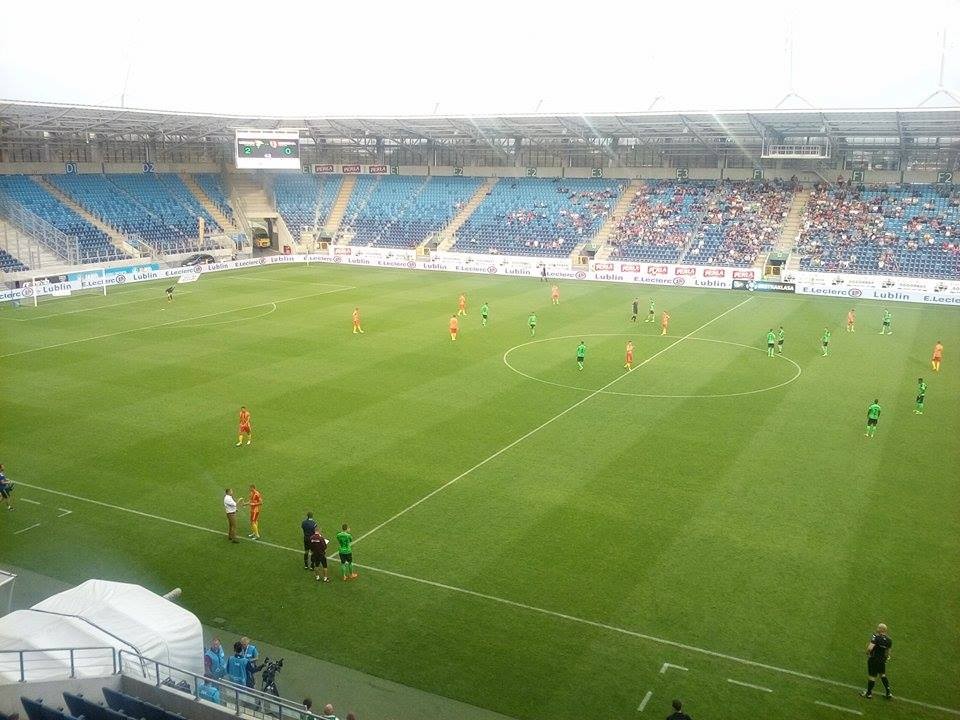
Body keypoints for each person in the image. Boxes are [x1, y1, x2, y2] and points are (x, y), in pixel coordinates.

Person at [860, 623, 893, 700]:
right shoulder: (889, 640)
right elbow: (887, 653)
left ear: (881, 629)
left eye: (878, 628)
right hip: (882, 661)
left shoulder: (876, 638)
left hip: (874, 659)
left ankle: (869, 694)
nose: (877, 629)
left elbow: (870, 648)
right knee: (882, 675)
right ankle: (888, 692)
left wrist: (867, 653)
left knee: (872, 676)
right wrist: (885, 659)